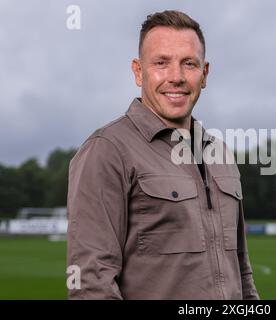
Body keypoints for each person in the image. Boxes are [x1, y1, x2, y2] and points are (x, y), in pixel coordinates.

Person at [66, 10, 259, 300]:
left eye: (189, 64)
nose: (177, 77)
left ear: (204, 74)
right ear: (138, 71)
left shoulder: (221, 153)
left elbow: (241, 270)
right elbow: (92, 282)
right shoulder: (106, 150)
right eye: (161, 63)